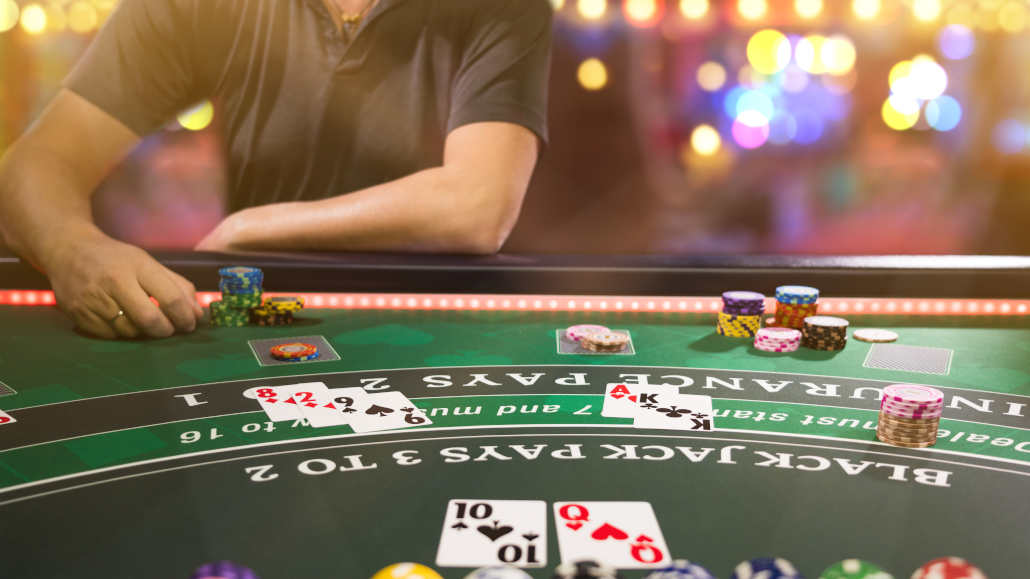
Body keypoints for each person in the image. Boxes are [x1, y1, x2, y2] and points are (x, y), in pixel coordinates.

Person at [0, 0, 552, 340]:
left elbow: (476, 208)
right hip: (255, 320)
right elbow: (38, 163)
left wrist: (251, 227)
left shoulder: (504, 5)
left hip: (450, 324)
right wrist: (73, 248)